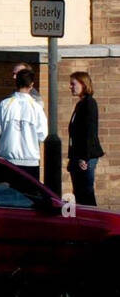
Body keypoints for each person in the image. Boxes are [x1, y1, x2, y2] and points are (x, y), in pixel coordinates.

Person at [0, 67, 48, 181]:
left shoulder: (5, 104)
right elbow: (42, 135)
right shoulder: (36, 107)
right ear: (31, 85)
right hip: (30, 161)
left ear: (16, 83)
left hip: (8, 159)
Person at [67, 71, 104, 207]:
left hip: (86, 156)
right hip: (78, 155)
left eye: (73, 84)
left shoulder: (89, 103)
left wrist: (84, 157)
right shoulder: (81, 104)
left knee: (86, 193)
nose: (70, 87)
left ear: (83, 84)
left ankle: (93, 221)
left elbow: (89, 132)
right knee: (79, 192)